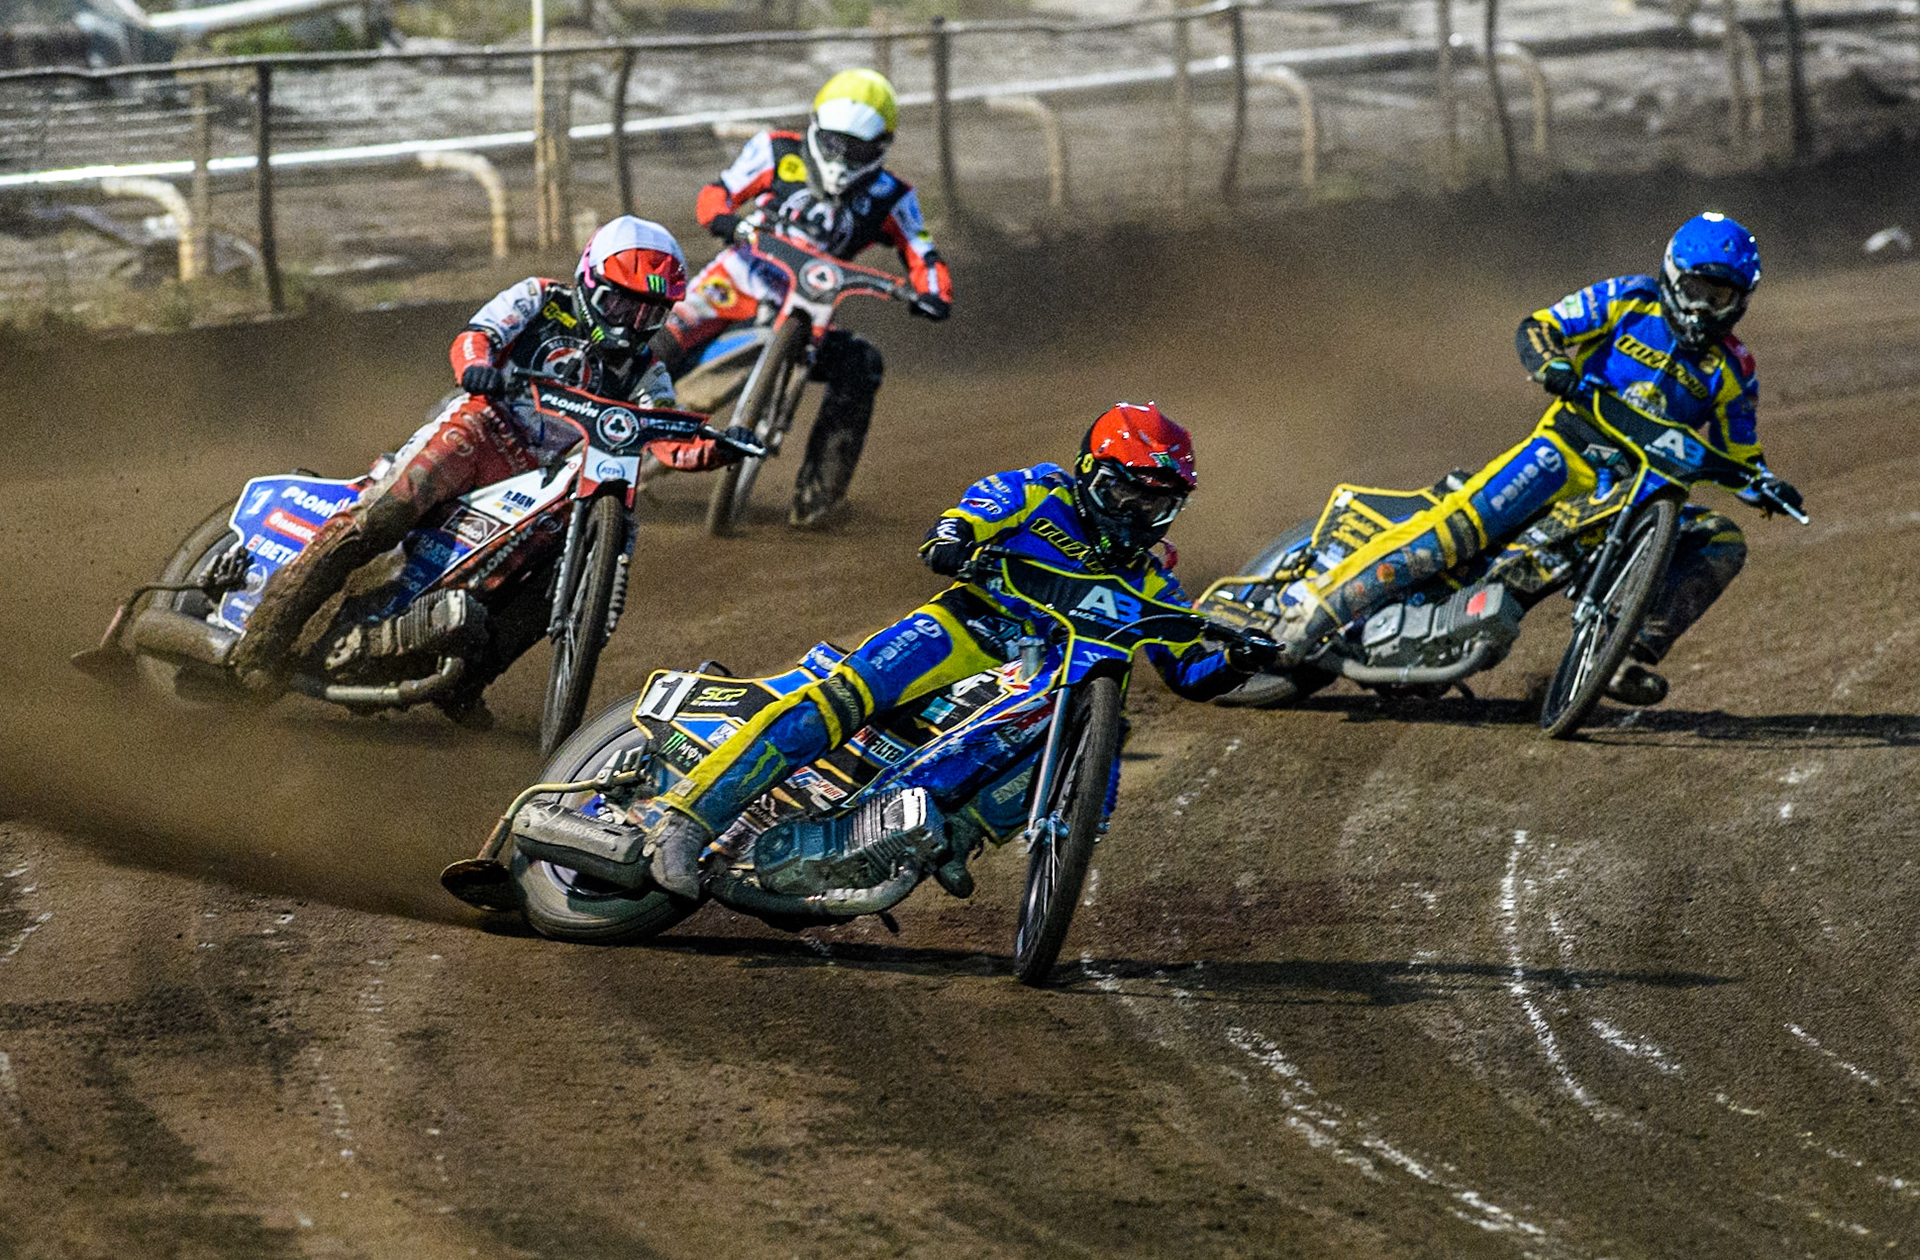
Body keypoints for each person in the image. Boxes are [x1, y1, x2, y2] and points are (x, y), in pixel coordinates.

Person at [628, 403, 1279, 899]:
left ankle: (947, 832)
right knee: (842, 697)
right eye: (1121, 496)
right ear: (1088, 475)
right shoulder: (1040, 490)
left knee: (1092, 734)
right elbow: (972, 512)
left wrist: (1239, 659)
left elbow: (1188, 667)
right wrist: (954, 537)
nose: (1132, 519)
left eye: (1154, 508)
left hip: (1043, 678)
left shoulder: (1153, 580)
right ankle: (685, 823)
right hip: (970, 627)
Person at [1268, 211, 1802, 707]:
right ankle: (1318, 607)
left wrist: (1767, 485)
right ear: (1671, 275)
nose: (1706, 308)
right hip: (1564, 453)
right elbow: (1541, 327)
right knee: (1457, 531)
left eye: (1723, 296)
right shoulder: (1629, 299)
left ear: (1742, 300)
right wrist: (1551, 365)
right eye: (1697, 290)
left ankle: (1624, 653)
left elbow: (1739, 454)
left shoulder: (1735, 368)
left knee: (1721, 539)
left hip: (1635, 497)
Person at [228, 216, 747, 722]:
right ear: (589, 280)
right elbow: (479, 334)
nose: (628, 323)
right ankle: (267, 634)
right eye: (619, 303)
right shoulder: (542, 298)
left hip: (547, 479)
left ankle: (466, 680)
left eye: (648, 314)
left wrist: (716, 449)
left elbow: (663, 437)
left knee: (550, 588)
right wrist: (476, 366)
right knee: (383, 516)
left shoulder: (646, 372)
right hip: (482, 431)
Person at [650, 68, 956, 527]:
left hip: (809, 309)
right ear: (815, 127)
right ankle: (587, 428)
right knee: (659, 342)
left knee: (861, 364)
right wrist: (724, 220)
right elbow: (719, 192)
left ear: (880, 149)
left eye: (855, 150)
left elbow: (922, 250)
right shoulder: (776, 150)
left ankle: (817, 498)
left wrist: (933, 293)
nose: (841, 158)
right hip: (736, 282)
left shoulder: (892, 195)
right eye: (834, 143)